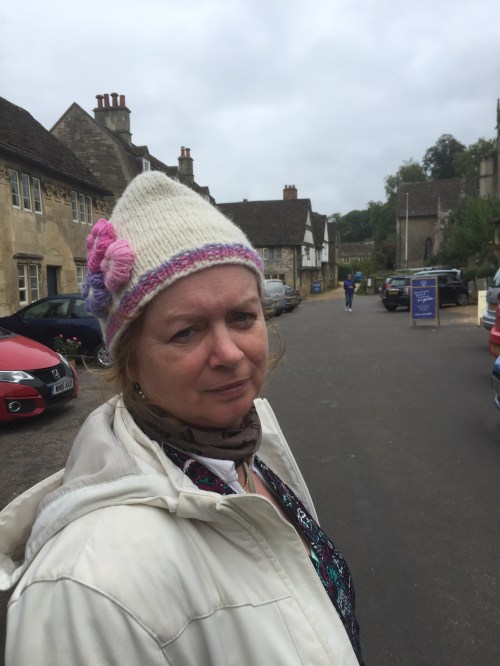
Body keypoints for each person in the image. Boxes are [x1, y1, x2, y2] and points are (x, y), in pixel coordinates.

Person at [1, 172, 363, 665]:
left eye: (242, 316)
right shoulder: (85, 588)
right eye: (186, 331)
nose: (229, 353)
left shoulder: (244, 446)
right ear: (130, 361)